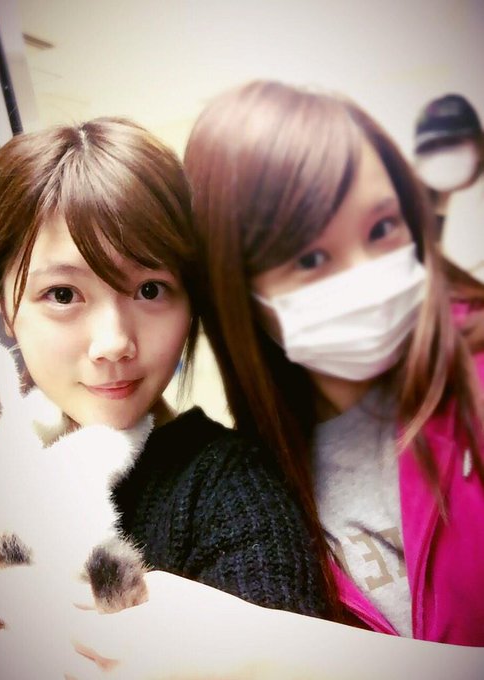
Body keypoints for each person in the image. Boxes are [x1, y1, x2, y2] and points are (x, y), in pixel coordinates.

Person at [0, 116, 334, 675]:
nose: (114, 342)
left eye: (149, 289)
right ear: (2, 303)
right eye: (63, 294)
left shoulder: (226, 487)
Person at [181, 79, 484, 646]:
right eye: (311, 258)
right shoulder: (258, 488)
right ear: (239, 294)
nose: (366, 275)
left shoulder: (475, 382)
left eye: (382, 228)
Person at [414, 93, 484, 353]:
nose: (443, 154)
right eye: (431, 147)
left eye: (453, 142)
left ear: (479, 145)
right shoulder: (413, 215)